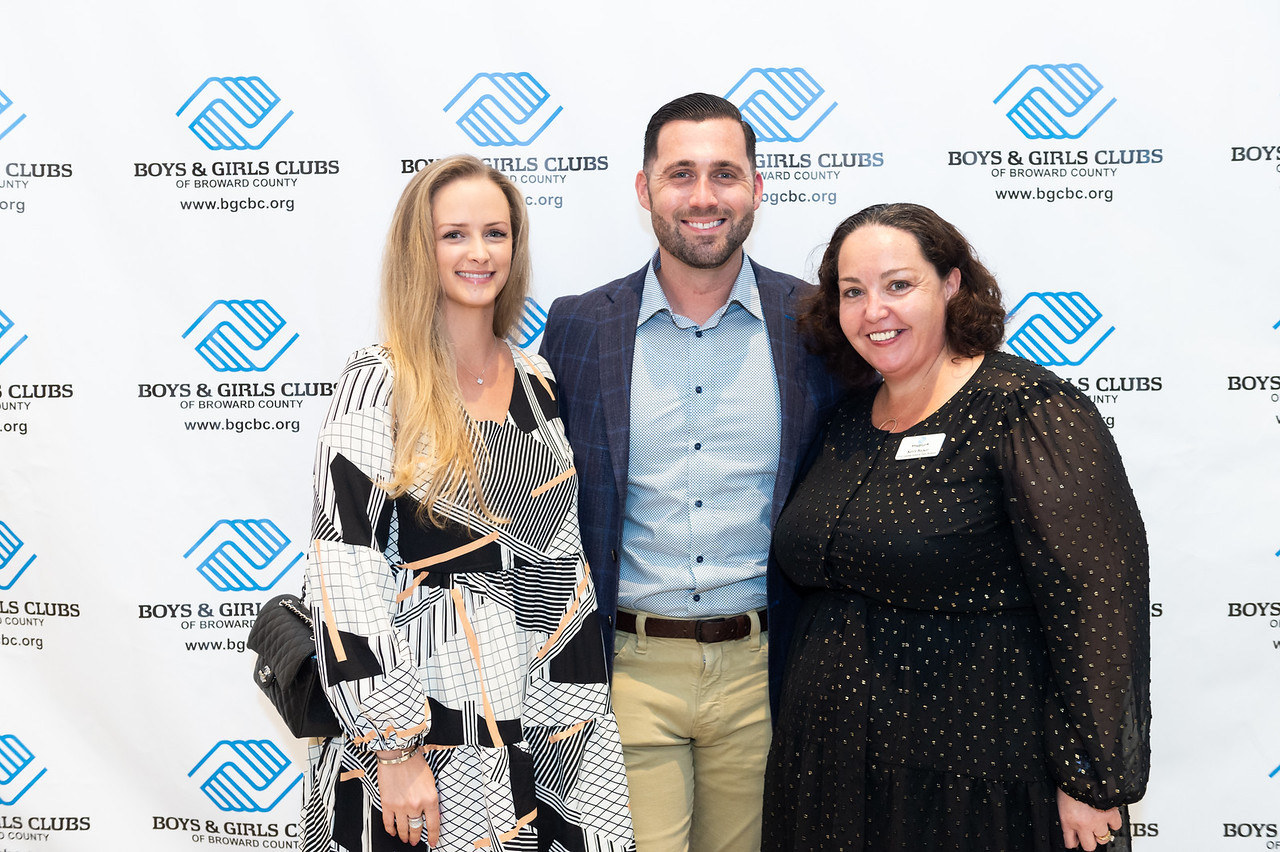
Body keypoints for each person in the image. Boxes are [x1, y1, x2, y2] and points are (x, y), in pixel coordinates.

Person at [763, 202, 1150, 852]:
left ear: (951, 285)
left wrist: (1090, 778)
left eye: (898, 285)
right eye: (852, 292)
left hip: (978, 774)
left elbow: (1097, 598)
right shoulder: (847, 420)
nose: (873, 311)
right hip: (832, 772)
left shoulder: (1026, 411)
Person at [299, 155, 634, 852]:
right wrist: (393, 749)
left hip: (549, 717)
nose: (480, 253)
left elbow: (560, 560)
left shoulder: (539, 381)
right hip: (426, 728)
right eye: (454, 235)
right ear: (419, 250)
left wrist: (578, 738)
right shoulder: (378, 382)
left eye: (496, 233)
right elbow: (345, 569)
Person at [539, 93, 841, 851]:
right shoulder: (577, 323)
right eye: (680, 174)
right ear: (645, 191)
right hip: (629, 667)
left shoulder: (816, 322)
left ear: (756, 189)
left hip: (766, 671)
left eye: (724, 174)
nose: (703, 197)